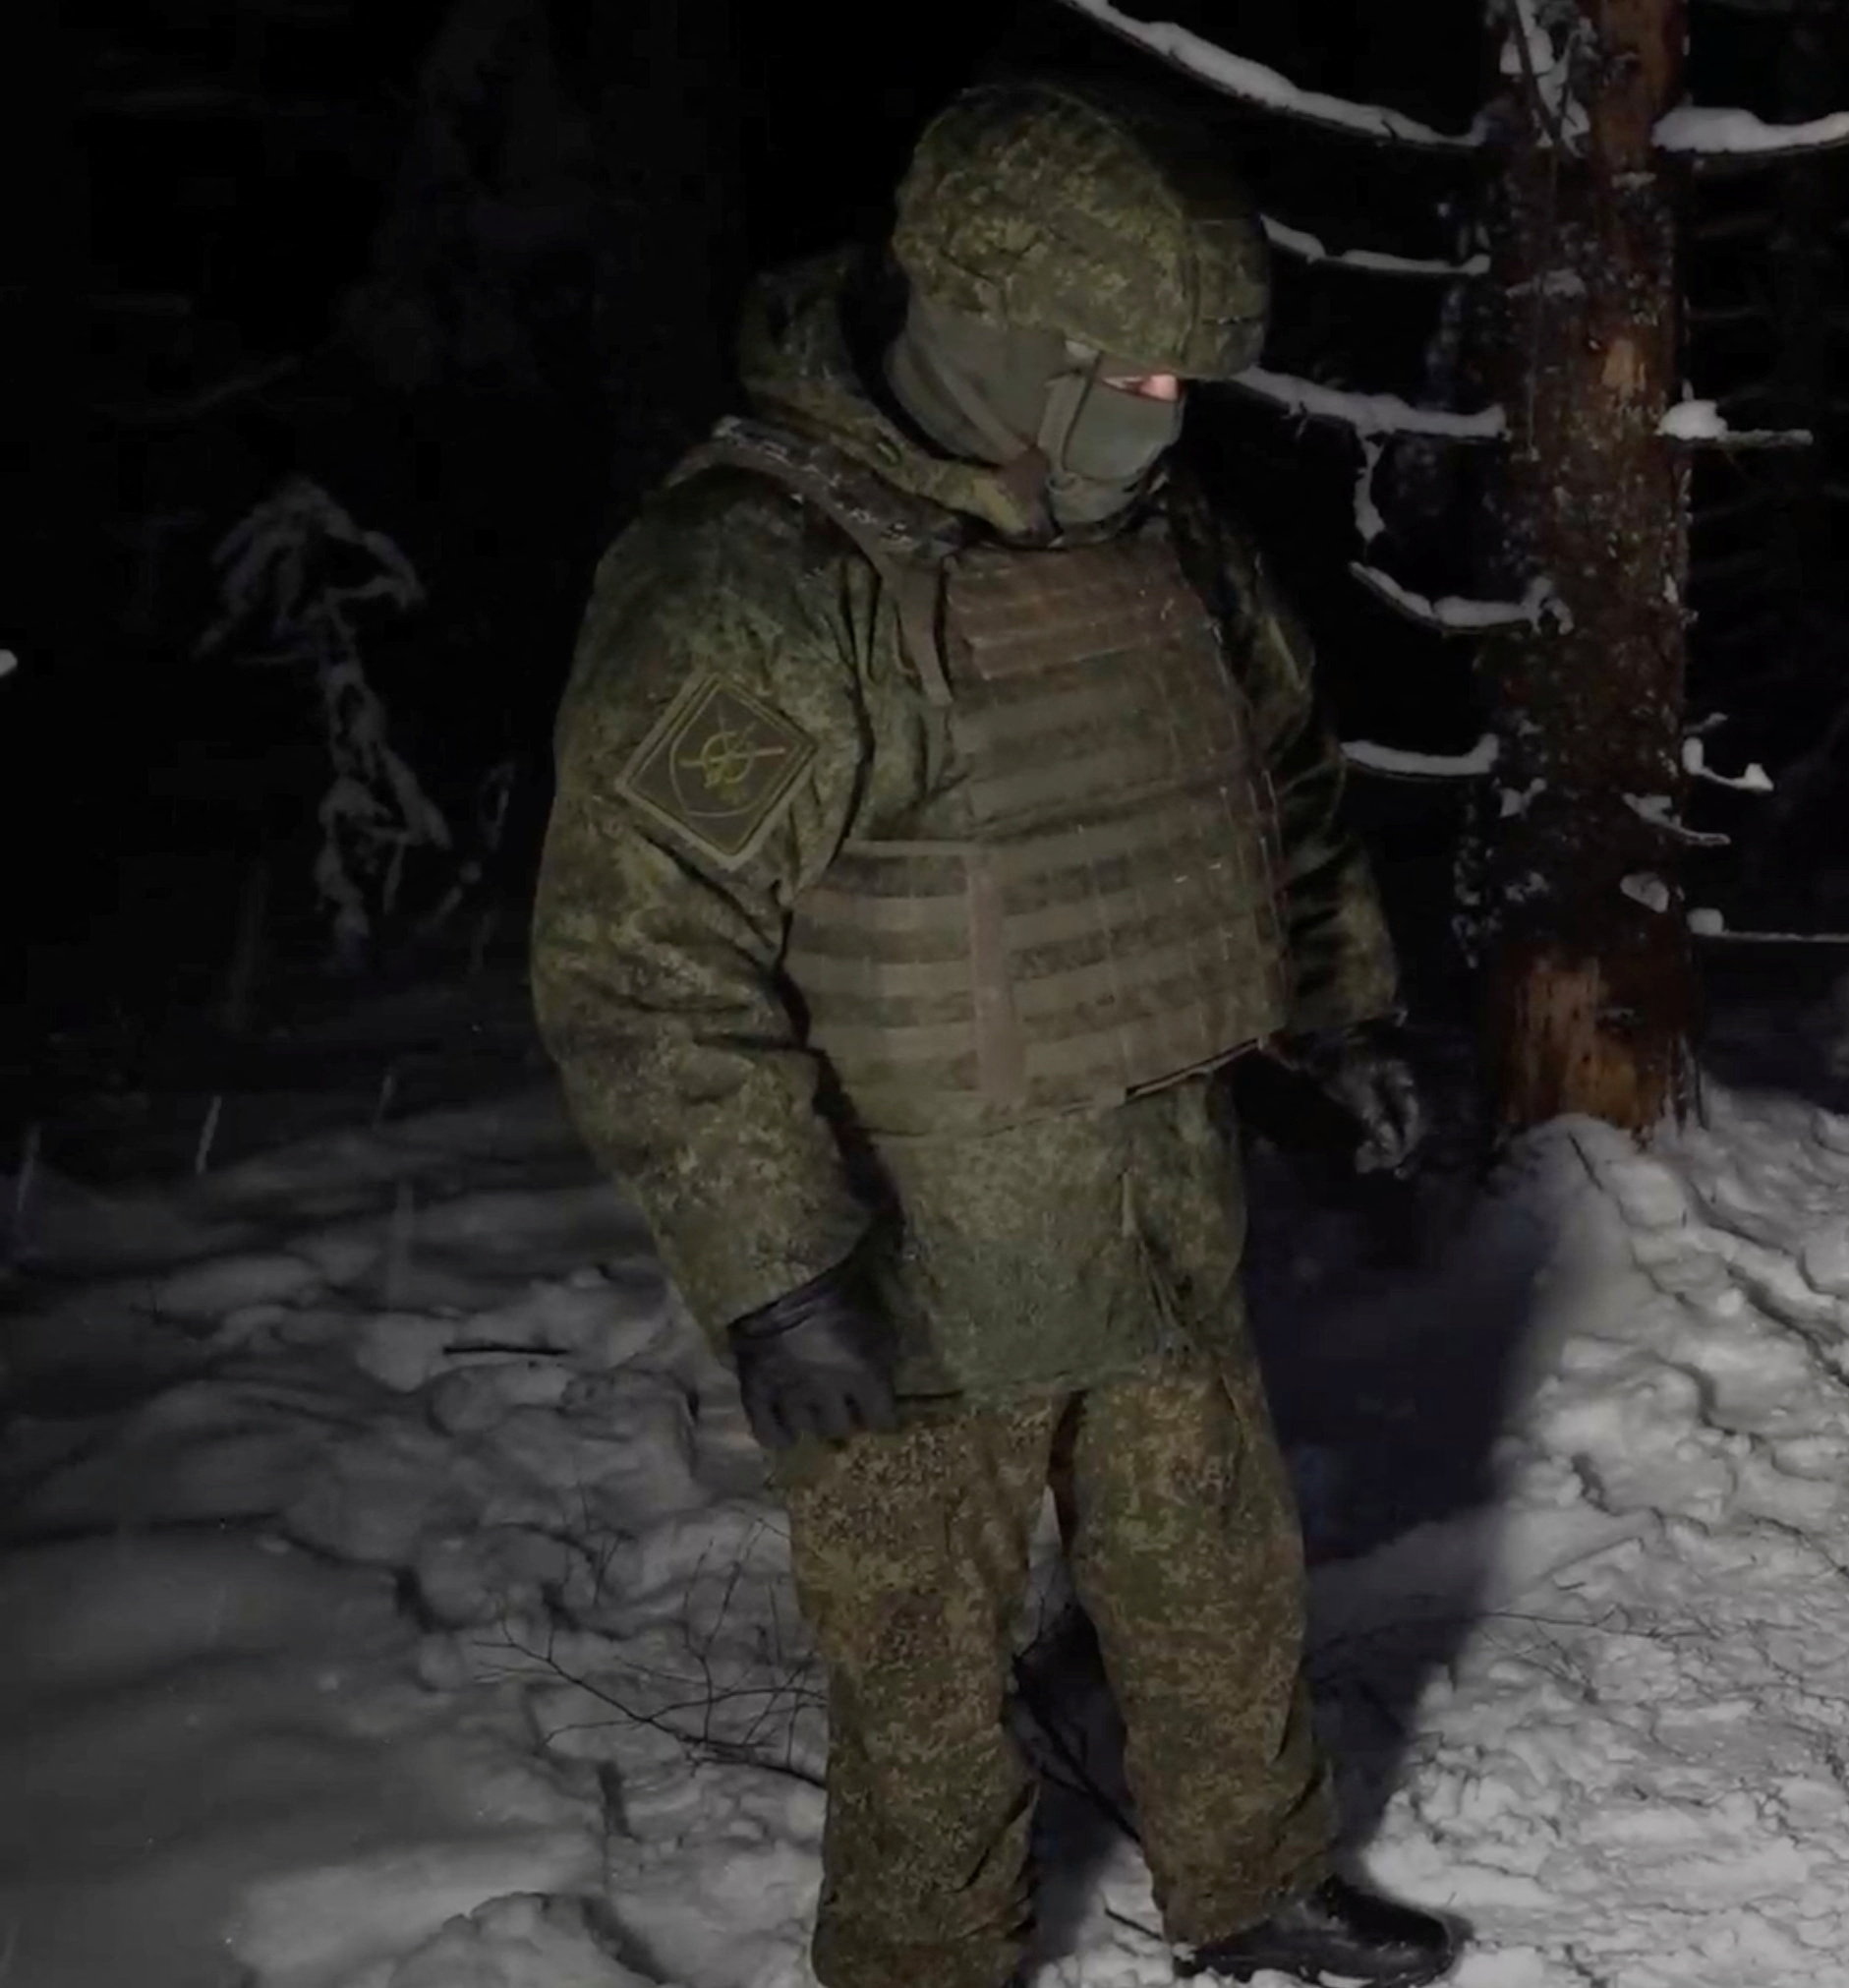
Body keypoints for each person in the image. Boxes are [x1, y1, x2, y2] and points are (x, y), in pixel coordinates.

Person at [528, 70, 1459, 1988]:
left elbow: (1267, 787)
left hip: (1153, 1209)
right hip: (910, 1267)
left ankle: (1253, 1882)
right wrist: (775, 1275)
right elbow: (642, 954)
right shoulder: (767, 587)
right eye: (1122, 377)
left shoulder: (1167, 547)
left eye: (1179, 383)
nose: (1165, 417)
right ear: (994, 340)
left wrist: (1333, 1025)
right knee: (924, 1685)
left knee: (1216, 1585)